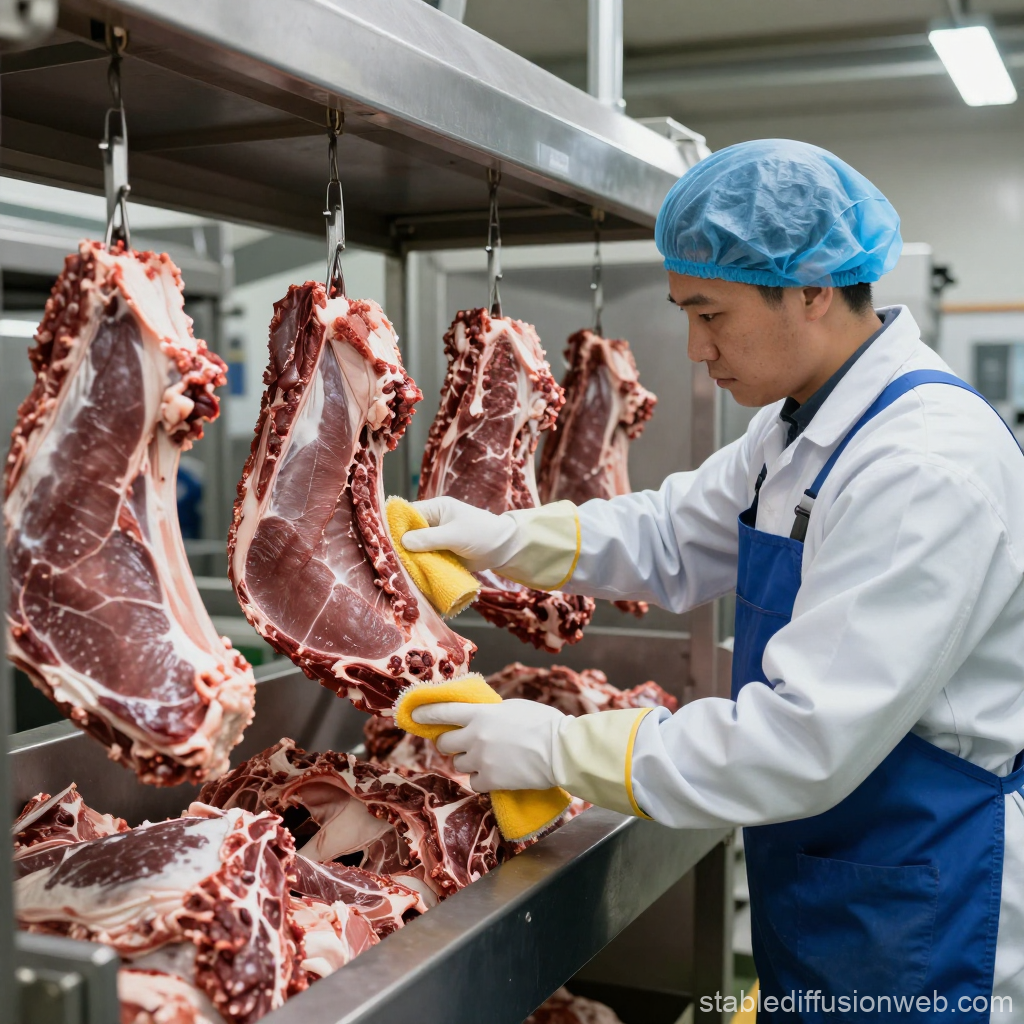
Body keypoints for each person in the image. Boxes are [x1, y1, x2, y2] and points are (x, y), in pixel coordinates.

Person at [402, 139, 1024, 1021]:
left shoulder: (922, 465)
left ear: (811, 290)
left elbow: (800, 741)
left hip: (928, 906)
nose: (695, 347)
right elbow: (671, 531)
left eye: (710, 314)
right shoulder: (799, 428)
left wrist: (559, 749)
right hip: (835, 875)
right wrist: (501, 537)